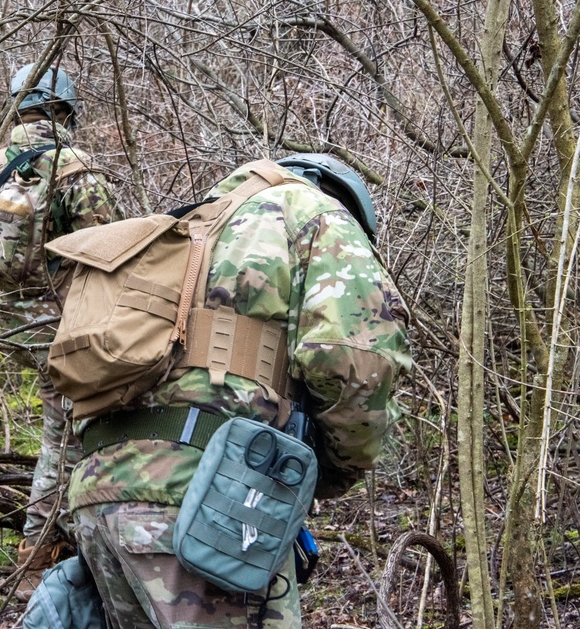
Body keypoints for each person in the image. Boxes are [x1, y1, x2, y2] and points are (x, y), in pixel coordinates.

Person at [67, 154, 412, 627]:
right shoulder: (315, 213)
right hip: (205, 499)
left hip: (99, 492)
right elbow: (357, 363)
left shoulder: (192, 225)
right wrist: (330, 471)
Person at [0, 62, 123, 602]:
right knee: (67, 433)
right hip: (62, 320)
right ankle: (37, 564)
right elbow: (112, 249)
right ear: (66, 111)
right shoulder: (73, 165)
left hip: (9, 323)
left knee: (63, 423)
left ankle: (61, 549)